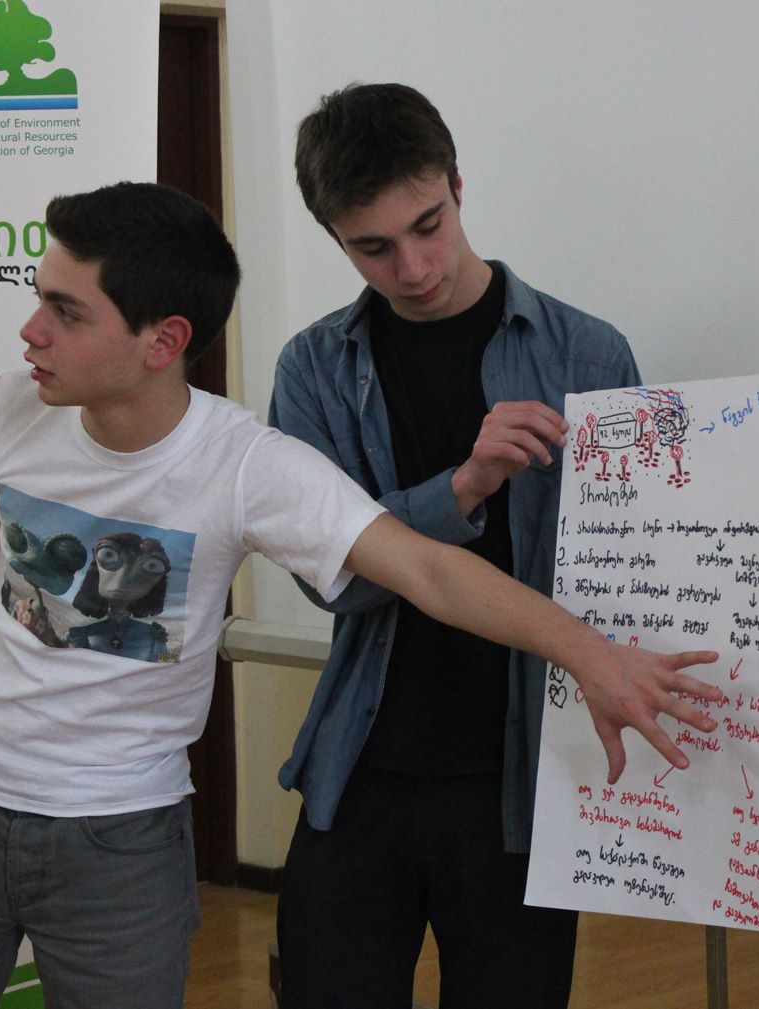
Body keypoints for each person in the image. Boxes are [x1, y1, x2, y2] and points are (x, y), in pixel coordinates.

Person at [0, 181, 723, 1009]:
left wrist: (591, 653)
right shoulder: (8, 407)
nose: (31, 330)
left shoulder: (245, 464)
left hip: (118, 836)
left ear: (162, 342)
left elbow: (425, 569)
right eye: (40, 298)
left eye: (66, 311)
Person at [268, 83, 646, 1008]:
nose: (413, 266)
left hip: (522, 783)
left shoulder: (589, 357)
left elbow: (633, 570)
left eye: (428, 225)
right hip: (360, 769)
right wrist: (464, 487)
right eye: (373, 248)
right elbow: (331, 581)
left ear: (458, 185)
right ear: (335, 239)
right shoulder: (313, 367)